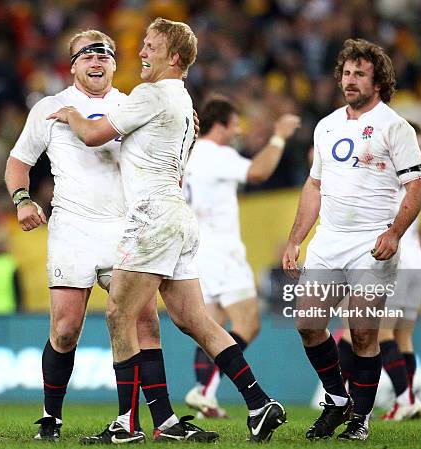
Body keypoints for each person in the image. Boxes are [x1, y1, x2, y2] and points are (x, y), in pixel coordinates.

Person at [48, 18, 286, 444]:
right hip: (178, 218)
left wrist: (70, 115)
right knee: (194, 318)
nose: (141, 53)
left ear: (174, 58)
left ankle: (126, 424)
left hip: (151, 218)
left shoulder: (152, 93)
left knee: (120, 313)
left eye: (151, 46)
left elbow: (95, 134)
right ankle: (259, 402)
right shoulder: (180, 101)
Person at [5, 29, 210, 443]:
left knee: (145, 323)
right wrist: (23, 200)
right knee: (65, 328)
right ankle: (51, 416)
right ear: (73, 65)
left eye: (104, 56)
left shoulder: (131, 102)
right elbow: (17, 163)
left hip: (124, 226)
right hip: (72, 228)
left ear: (115, 64)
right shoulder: (51, 107)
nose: (96, 62)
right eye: (87, 56)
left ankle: (162, 419)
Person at [282, 38, 421, 441]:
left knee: (363, 332)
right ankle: (337, 398)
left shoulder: (394, 127)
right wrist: (296, 240)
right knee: (308, 323)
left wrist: (394, 232)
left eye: (360, 73)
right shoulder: (325, 125)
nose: (350, 80)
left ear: (377, 81)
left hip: (370, 243)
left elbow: (416, 187)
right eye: (346, 73)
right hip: (328, 240)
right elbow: (314, 186)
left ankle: (359, 421)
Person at [182, 96, 300, 419]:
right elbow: (259, 172)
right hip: (223, 251)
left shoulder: (189, 154)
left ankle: (204, 394)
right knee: (250, 322)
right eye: (235, 122)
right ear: (220, 124)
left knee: (212, 325)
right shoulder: (219, 154)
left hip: (195, 249)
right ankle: (204, 390)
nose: (239, 129)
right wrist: (278, 136)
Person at [337, 123, 421, 421]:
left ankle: (403, 399)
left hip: (394, 258)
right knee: (403, 336)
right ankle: (404, 397)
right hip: (417, 261)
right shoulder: (416, 175)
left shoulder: (382, 172)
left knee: (378, 332)